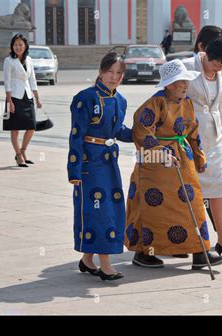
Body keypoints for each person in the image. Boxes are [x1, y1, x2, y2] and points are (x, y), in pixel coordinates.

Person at [125, 59, 222, 270]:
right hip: (156, 167)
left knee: (194, 205)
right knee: (156, 211)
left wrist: (199, 157)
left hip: (182, 161)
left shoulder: (186, 102)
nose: (185, 85)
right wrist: (161, 153)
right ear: (170, 84)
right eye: (181, 82)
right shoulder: (154, 104)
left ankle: (200, 252)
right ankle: (144, 252)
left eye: (185, 81)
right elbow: (142, 132)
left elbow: (192, 132)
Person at [68, 52, 133, 281]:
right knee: (99, 210)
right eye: (110, 71)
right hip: (89, 164)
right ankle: (105, 265)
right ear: (101, 70)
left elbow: (118, 132)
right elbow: (76, 135)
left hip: (109, 163)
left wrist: (140, 134)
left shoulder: (120, 101)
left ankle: (87, 260)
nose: (113, 77)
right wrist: (74, 170)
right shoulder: (85, 98)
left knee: (111, 208)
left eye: (118, 73)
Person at [182, 36, 222, 258]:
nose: (218, 68)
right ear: (206, 53)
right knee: (193, 194)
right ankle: (195, 244)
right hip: (190, 140)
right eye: (215, 63)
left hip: (215, 140)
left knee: (218, 190)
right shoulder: (187, 66)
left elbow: (220, 107)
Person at [3, 33, 42, 167]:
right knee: (15, 128)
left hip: (27, 96)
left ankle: (23, 150)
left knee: (31, 126)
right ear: (12, 46)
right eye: (15, 45)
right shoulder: (9, 60)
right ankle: (18, 155)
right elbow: (7, 82)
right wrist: (9, 102)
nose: (18, 47)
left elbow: (32, 80)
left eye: (20, 44)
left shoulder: (29, 60)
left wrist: (37, 99)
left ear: (25, 46)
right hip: (14, 97)